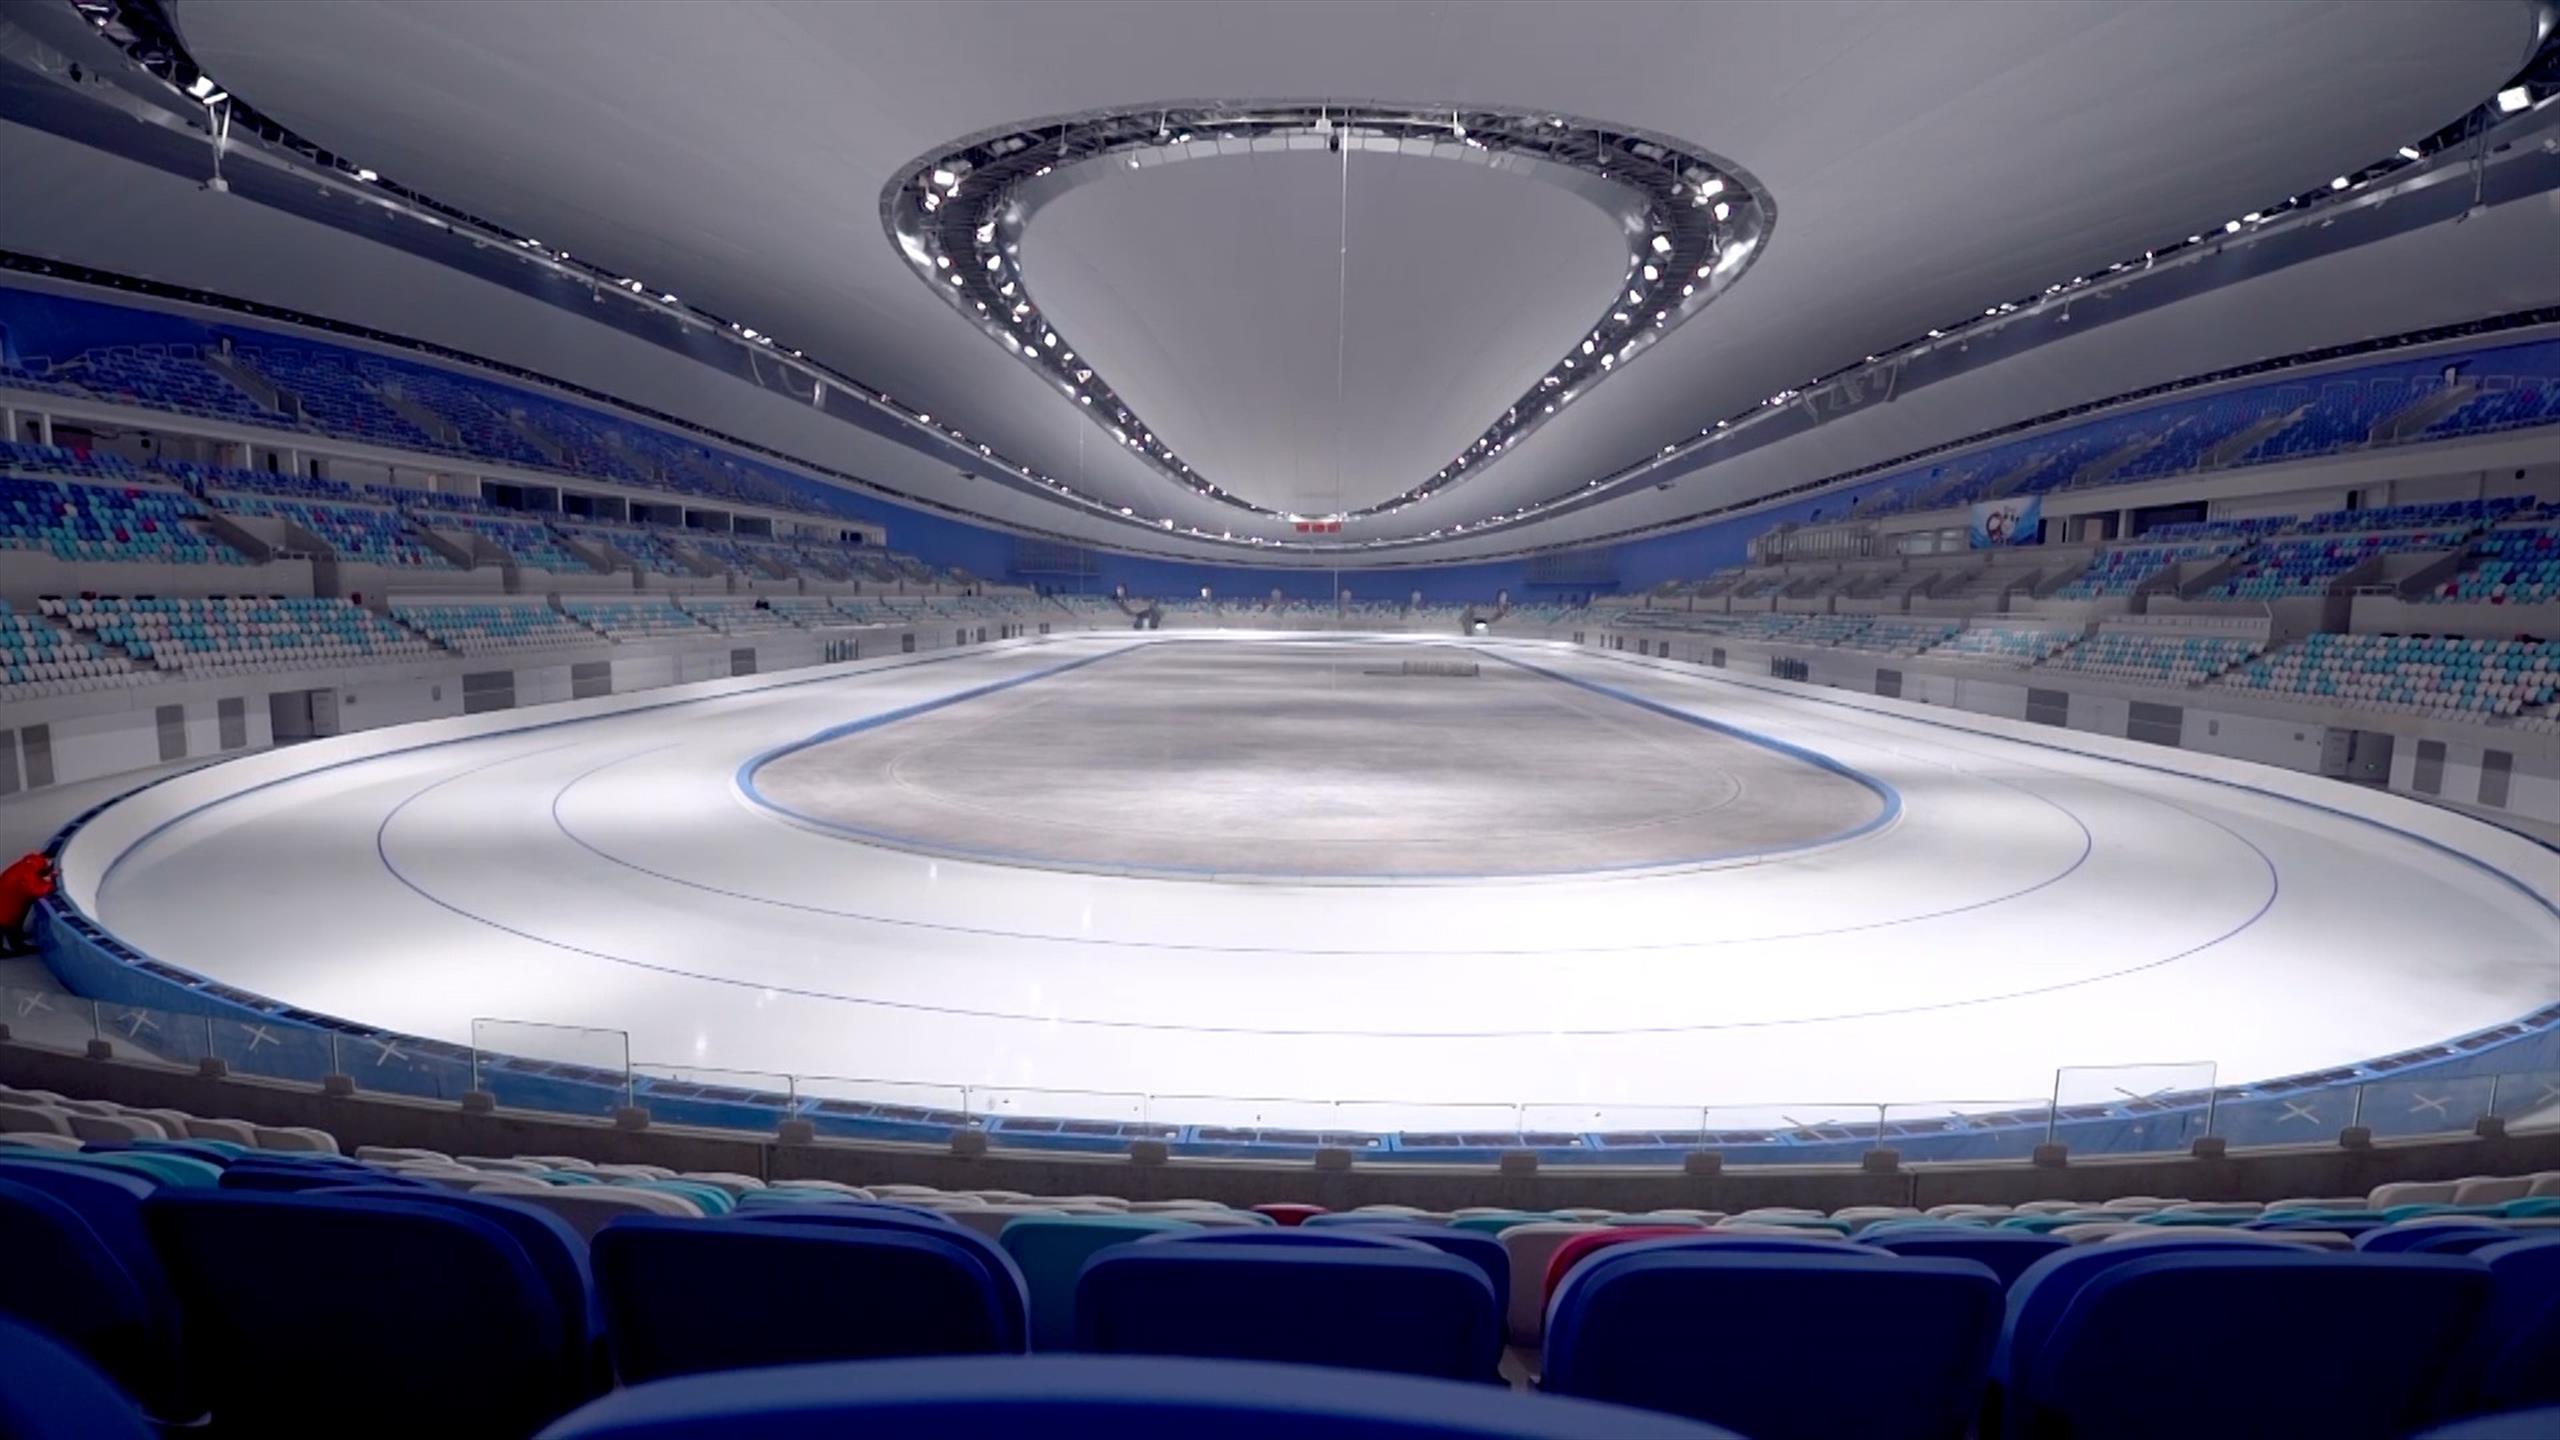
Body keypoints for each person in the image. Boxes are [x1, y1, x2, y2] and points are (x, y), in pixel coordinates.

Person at [0, 851, 56, 957]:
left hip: (7, 897)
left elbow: (35, 878)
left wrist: (49, 876)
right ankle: (16, 947)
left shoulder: (31, 863)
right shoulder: (29, 872)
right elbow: (34, 890)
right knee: (6, 922)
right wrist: (48, 884)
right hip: (8, 902)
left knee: (8, 922)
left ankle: (17, 943)